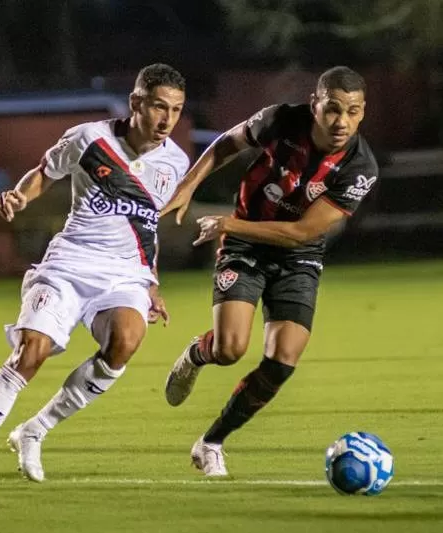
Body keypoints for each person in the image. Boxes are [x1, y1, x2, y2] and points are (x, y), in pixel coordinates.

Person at [0, 63, 188, 494]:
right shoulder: (89, 139)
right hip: (70, 263)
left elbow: (146, 225)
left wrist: (151, 281)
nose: (167, 120)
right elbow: (44, 172)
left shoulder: (175, 161)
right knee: (31, 353)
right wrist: (19, 196)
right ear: (137, 102)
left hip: (124, 274)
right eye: (160, 107)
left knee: (126, 341)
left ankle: (36, 428)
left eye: (176, 110)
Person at [162, 66, 379, 476]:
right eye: (333, 109)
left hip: (297, 253)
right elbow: (226, 143)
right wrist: (188, 186)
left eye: (352, 111)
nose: (341, 121)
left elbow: (301, 232)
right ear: (315, 105)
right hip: (245, 246)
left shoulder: (359, 168)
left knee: (282, 360)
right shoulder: (280, 120)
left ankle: (211, 442)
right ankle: (196, 354)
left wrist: (227, 222)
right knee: (229, 350)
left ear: (362, 112)